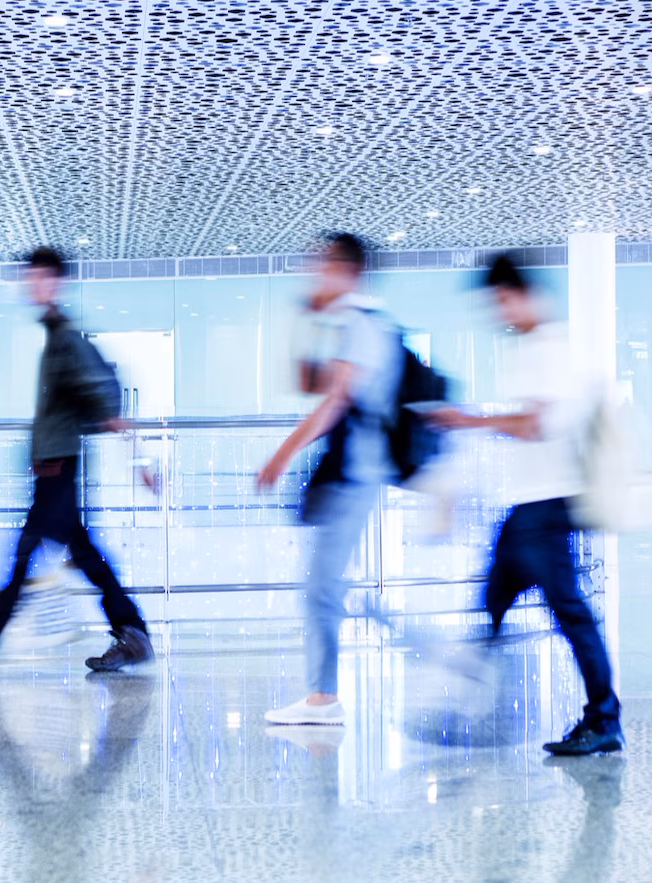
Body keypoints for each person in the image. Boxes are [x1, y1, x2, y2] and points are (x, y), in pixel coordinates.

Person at [425, 254, 622, 756]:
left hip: (546, 507)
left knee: (569, 613)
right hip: (525, 508)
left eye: (503, 300)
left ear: (524, 295)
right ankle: (465, 699)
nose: (500, 312)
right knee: (491, 602)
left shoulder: (550, 349)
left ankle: (603, 718)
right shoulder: (534, 347)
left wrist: (467, 422)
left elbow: (534, 425)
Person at [0, 247, 153, 674]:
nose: (30, 285)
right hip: (55, 471)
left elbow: (106, 401)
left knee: (24, 562)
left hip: (58, 470)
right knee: (85, 557)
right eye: (29, 277)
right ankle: (132, 632)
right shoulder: (57, 335)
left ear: (55, 282)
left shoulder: (66, 339)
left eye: (38, 277)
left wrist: (140, 459)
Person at [257, 232, 401, 727]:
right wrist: (309, 319)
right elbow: (308, 382)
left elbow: (334, 400)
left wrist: (280, 455)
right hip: (348, 471)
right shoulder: (346, 327)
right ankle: (329, 690)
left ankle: (325, 699)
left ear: (345, 270)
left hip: (357, 472)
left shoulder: (362, 327)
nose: (314, 272)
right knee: (325, 585)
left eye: (322, 264)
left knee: (321, 587)